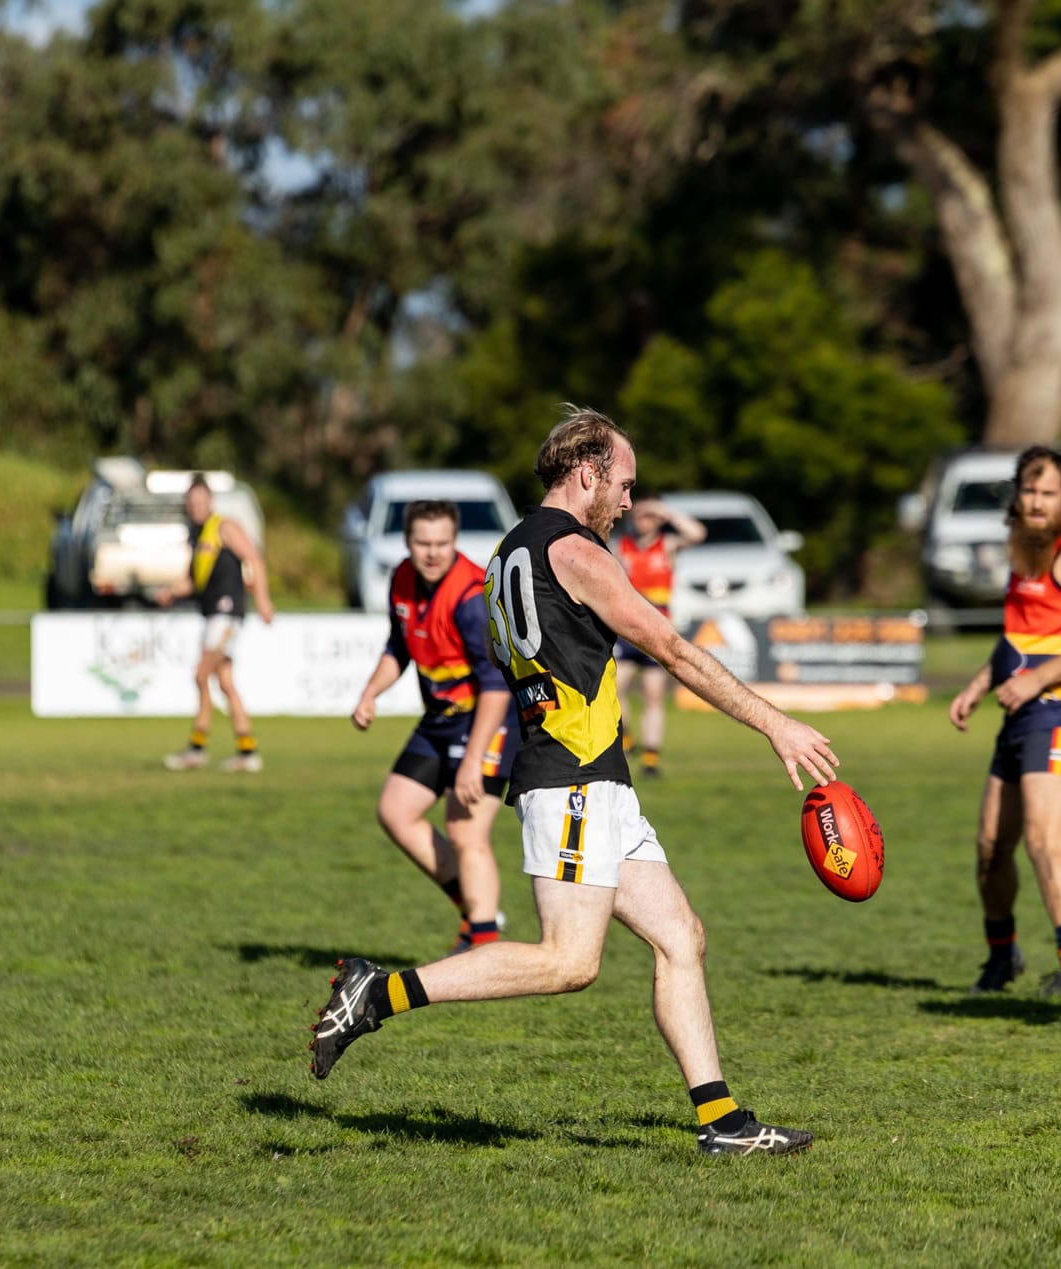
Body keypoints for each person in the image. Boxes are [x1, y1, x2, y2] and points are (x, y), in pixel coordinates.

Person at [309, 406, 840, 1158]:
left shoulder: (505, 555)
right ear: (586, 472)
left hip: (596, 779)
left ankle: (722, 1123)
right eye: (622, 483)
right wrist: (775, 723)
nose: (629, 500)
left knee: (681, 936)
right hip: (574, 781)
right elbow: (672, 649)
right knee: (569, 960)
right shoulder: (577, 553)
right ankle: (378, 991)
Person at [949, 446, 1061, 997]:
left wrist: (1037, 680)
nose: (1038, 502)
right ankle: (1002, 956)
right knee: (990, 846)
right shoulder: (1022, 546)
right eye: (1030, 491)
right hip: (1021, 711)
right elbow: (1020, 636)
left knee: (1046, 840)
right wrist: (981, 683)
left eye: (1049, 493)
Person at [350, 500, 517, 953]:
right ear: (407, 543)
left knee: (465, 832)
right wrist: (369, 694)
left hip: (489, 717)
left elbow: (497, 688)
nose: (432, 553)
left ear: (454, 541)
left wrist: (473, 764)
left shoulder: (470, 599)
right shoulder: (401, 580)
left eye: (442, 543)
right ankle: (475, 908)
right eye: (423, 543)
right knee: (396, 811)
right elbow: (398, 648)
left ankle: (484, 944)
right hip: (441, 718)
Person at [159, 476, 275, 773]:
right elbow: (193, 581)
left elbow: (254, 558)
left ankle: (197, 749)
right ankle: (247, 751)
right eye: (191, 503)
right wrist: (170, 592)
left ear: (210, 502)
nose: (195, 507)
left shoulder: (225, 527)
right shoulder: (197, 537)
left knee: (201, 675)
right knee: (223, 682)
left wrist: (262, 599)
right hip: (211, 615)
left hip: (227, 614)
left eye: (200, 502)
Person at [614, 495, 707, 777]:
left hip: (657, 629)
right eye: (643, 514)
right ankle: (626, 737)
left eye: (652, 516)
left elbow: (697, 533)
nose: (647, 520)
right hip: (627, 629)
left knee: (653, 695)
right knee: (614, 689)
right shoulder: (622, 547)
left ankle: (651, 758)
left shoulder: (666, 545)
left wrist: (664, 511)